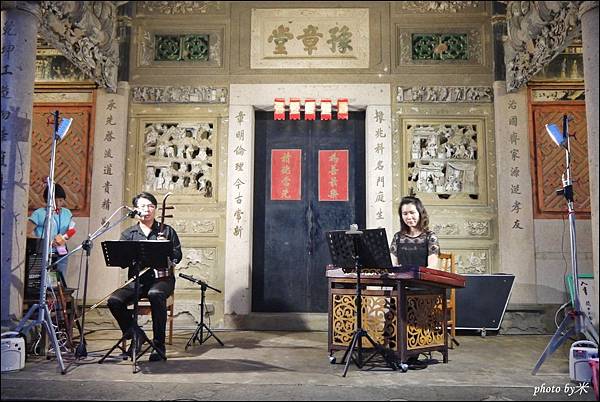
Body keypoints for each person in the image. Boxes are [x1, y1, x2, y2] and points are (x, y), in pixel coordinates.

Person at [107, 192, 181, 362]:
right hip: (138, 280)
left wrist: (166, 249)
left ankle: (158, 345)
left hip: (162, 279)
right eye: (142, 206)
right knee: (114, 301)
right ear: (135, 210)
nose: (147, 210)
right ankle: (136, 334)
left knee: (156, 294)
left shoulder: (167, 231)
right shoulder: (129, 234)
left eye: (150, 206)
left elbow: (178, 255)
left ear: (155, 209)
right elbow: (121, 260)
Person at [27, 183, 76, 285]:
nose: (58, 203)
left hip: (61, 252)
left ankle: (57, 292)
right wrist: (44, 242)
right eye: (55, 200)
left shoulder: (67, 213)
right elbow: (26, 233)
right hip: (44, 253)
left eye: (61, 200)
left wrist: (63, 239)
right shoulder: (39, 213)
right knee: (44, 282)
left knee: (58, 282)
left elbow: (71, 230)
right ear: (47, 199)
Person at [389, 196, 439, 268]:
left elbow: (432, 266)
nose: (409, 217)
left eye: (412, 212)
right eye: (405, 214)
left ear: (420, 213)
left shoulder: (430, 237)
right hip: (401, 275)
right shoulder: (398, 237)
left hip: (422, 275)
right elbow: (392, 264)